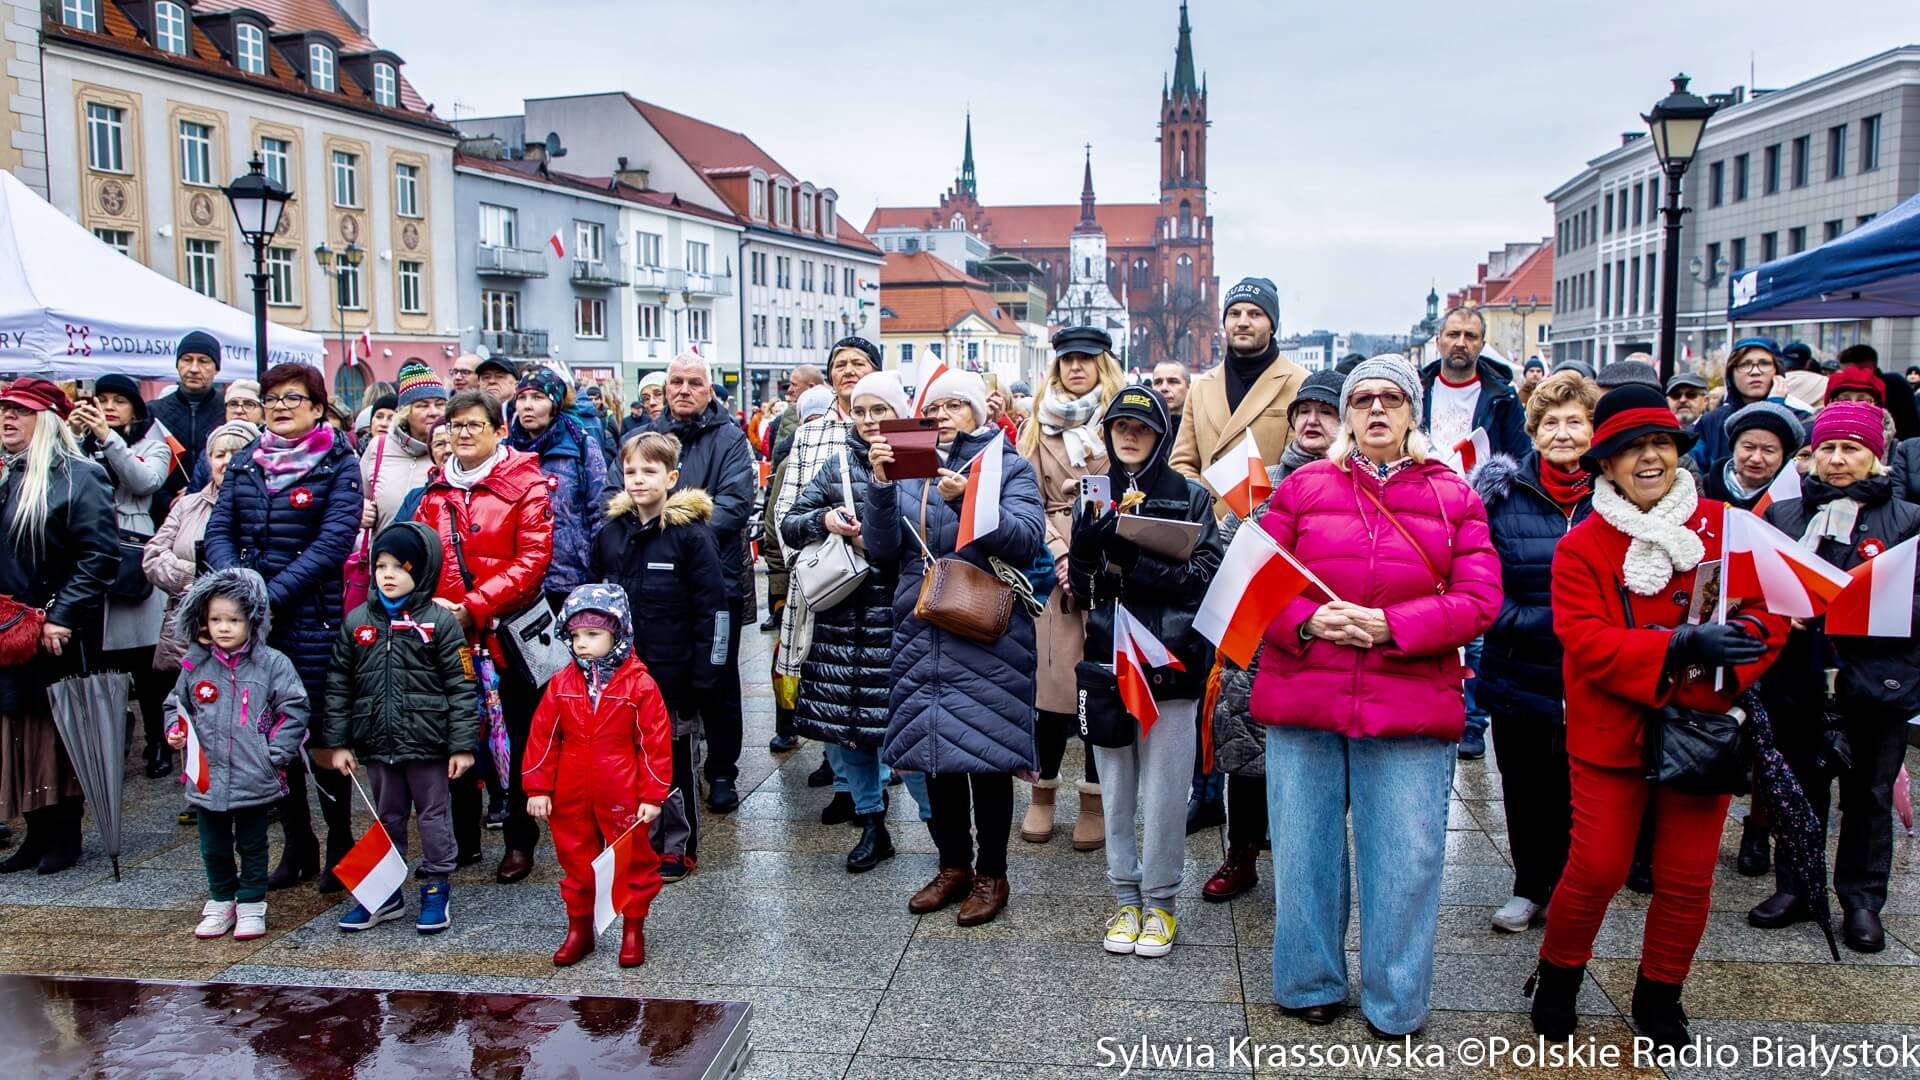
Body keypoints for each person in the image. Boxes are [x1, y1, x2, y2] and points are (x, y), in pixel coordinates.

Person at [1528, 383, 1788, 1049]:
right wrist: (1676, 644)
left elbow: (1773, 611)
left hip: (1702, 728)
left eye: (1660, 444)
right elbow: (1583, 639)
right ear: (1605, 464)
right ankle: (1558, 977)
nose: (1649, 458)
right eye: (1631, 448)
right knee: (1598, 868)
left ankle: (1661, 992)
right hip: (1611, 730)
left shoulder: (1725, 526)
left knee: (1686, 877)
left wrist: (1738, 649)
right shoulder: (1582, 545)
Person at [1252, 354, 1499, 1036]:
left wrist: (1394, 625)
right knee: (1303, 854)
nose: (1377, 410)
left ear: (1412, 411)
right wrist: (1305, 619)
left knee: (1405, 862)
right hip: (1306, 696)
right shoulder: (1303, 491)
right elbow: (1254, 585)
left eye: (1392, 398)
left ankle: (1397, 1002)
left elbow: (1480, 599)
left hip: (1408, 703)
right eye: (1364, 400)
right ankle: (1308, 984)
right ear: (1347, 415)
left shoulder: (1455, 494)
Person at [866, 369, 1044, 926]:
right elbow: (882, 549)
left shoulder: (1005, 464)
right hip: (922, 628)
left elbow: (1026, 538)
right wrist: (877, 487)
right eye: (934, 406)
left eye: (956, 405)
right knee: (933, 755)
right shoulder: (909, 468)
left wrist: (972, 502)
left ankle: (993, 872)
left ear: (978, 412)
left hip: (986, 631)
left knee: (986, 758)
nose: (943, 414)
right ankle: (952, 867)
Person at [1750, 402, 1917, 953]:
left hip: (1877, 678)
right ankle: (1796, 887)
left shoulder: (1909, 520)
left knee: (1868, 794)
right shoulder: (1786, 516)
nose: (1838, 460)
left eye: (1851, 449)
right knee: (1797, 788)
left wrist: (1873, 602)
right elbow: (1755, 589)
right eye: (1828, 448)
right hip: (1798, 677)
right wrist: (1780, 613)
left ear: (1876, 456)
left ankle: (1862, 901)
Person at [1071, 386, 1222, 959]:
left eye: (1142, 426)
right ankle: (1124, 897)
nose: (1129, 435)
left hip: (1171, 661)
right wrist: (1084, 553)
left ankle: (1160, 904)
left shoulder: (1189, 496)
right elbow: (1082, 593)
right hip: (1109, 659)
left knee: (1163, 794)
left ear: (1161, 435)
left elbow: (1205, 574)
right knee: (1115, 790)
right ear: (1107, 432)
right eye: (1119, 426)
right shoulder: (1096, 493)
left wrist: (1137, 560)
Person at [204, 363, 362, 893]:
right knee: (268, 732)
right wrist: (238, 590)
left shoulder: (339, 461)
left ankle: (339, 838)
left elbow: (333, 541)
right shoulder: (249, 460)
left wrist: (269, 596)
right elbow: (219, 529)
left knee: (319, 731)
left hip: (311, 617)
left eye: (293, 398)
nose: (280, 406)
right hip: (254, 619)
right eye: (272, 398)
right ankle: (298, 843)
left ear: (318, 407)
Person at [1200, 367, 1344, 902]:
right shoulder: (1262, 485)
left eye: (1326, 411)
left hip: (1329, 647)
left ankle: (1306, 865)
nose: (1312, 420)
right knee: (1246, 759)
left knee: (1315, 770)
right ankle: (1241, 857)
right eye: (1303, 411)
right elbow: (1226, 555)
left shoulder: (1355, 483)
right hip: (1261, 645)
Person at [1469, 370, 1599, 933]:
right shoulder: (1504, 498)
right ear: (1534, 431)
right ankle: (1529, 886)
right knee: (1523, 788)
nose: (1563, 433)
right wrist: (1561, 621)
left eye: (1576, 421)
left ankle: (1573, 887)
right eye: (1551, 422)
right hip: (1521, 668)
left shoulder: (1612, 499)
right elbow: (1484, 592)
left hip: (1594, 675)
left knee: (1583, 792)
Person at [412, 390, 554, 883]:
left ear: (498, 431)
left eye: (474, 425)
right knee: (454, 735)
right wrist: (437, 609)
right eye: (456, 426)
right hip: (449, 636)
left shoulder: (527, 482)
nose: (464, 434)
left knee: (513, 739)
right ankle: (461, 839)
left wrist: (474, 606)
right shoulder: (435, 491)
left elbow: (533, 559)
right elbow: (418, 556)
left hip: (507, 635)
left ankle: (519, 838)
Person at [316, 521, 478, 934]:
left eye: (399, 567)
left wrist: (462, 745)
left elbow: (462, 686)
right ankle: (383, 893)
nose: (388, 575)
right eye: (381, 565)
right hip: (377, 741)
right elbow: (339, 685)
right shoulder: (357, 623)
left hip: (428, 743)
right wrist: (338, 743)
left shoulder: (439, 623)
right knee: (385, 816)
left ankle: (436, 885)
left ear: (420, 572)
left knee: (433, 816)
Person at [779, 371, 909, 872]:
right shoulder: (834, 464)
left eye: (881, 410)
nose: (871, 420)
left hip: (898, 616)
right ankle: (873, 823)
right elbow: (791, 520)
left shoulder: (918, 463)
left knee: (905, 733)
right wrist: (825, 521)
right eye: (861, 410)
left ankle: (941, 835)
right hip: (843, 615)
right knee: (849, 731)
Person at [592, 431, 724, 884]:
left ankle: (677, 845)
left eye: (649, 471)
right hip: (621, 673)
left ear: (671, 477)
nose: (638, 479)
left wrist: (708, 673)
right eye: (631, 471)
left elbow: (715, 609)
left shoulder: (691, 536)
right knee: (627, 759)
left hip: (674, 673)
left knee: (671, 763)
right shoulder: (611, 534)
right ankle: (637, 837)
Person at [0, 379, 119, 876]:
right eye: (3, 410)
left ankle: (63, 835)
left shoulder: (80, 476)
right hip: (9, 628)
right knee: (17, 731)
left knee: (55, 731)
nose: (7, 418)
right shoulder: (9, 476)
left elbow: (99, 556)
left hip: (53, 629)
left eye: (19, 412)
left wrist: (63, 617)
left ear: (46, 419)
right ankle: (36, 834)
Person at [525, 585, 672, 969]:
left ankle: (633, 928)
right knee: (575, 857)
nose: (581, 644)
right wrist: (538, 786)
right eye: (574, 636)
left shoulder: (639, 685)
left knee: (632, 858)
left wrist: (652, 794)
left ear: (617, 634)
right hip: (571, 786)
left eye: (592, 634)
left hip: (620, 783)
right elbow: (544, 736)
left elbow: (654, 742)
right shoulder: (562, 683)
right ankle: (579, 928)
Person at [1020, 325, 1124, 849]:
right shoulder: (1037, 425)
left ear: (1102, 364)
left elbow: (1133, 493)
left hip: (1107, 567)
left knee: (1101, 690)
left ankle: (1094, 800)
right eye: (1067, 360)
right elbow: (1026, 499)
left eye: (1086, 359)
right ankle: (1042, 795)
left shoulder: (1122, 419)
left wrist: (1090, 555)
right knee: (1050, 691)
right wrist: (1061, 554)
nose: (1076, 368)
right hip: (1053, 572)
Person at [166, 568, 309, 942]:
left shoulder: (272, 664)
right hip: (208, 775)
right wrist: (176, 731)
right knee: (212, 845)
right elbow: (176, 705)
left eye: (234, 620)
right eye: (216, 620)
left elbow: (294, 709)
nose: (224, 628)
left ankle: (250, 902)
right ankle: (220, 898)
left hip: (253, 774)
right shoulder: (195, 665)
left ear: (254, 621)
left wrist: (273, 753)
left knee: (252, 843)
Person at [649, 351, 755, 813]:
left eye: (694, 382)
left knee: (718, 679)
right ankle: (665, 767)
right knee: (658, 680)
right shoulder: (642, 438)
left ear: (709, 389)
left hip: (716, 583)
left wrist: (666, 532)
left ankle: (722, 770)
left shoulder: (730, 439)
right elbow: (617, 498)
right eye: (676, 382)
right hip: (653, 587)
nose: (683, 390)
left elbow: (733, 505)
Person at [1419, 309, 1524, 761]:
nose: (1461, 342)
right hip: (1421, 514)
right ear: (1438, 341)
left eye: (1471, 336)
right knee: (1424, 611)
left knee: (1477, 627)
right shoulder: (1416, 389)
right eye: (1453, 334)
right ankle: (1428, 705)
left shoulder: (1501, 397)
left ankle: (1473, 721)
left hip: (1480, 517)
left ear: (1482, 344)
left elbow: (1520, 456)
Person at [771, 339, 878, 758]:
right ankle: (843, 784)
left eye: (858, 363)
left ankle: (878, 784)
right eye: (839, 364)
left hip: (880, 574)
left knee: (874, 687)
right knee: (824, 676)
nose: (848, 370)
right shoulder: (810, 432)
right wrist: (805, 560)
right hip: (823, 574)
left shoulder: (896, 424)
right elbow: (787, 506)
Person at [74, 374, 180, 779]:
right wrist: (76, 435)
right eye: (103, 400)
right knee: (102, 662)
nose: (110, 407)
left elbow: (145, 480)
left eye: (120, 400)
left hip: (133, 557)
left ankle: (158, 740)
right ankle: (111, 739)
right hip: (92, 555)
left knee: (145, 663)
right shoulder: (82, 445)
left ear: (136, 408)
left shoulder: (150, 445)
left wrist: (108, 438)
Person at [1170, 276, 1306, 512]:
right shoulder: (1201, 386)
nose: (1243, 322)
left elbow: (1299, 466)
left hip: (1267, 526)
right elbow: (1182, 462)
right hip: (1207, 528)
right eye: (1234, 314)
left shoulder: (1299, 383)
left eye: (1255, 314)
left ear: (1272, 324)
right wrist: (1201, 505)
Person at [510, 369, 608, 605]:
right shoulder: (507, 451)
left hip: (571, 577)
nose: (527, 406)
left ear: (554, 404)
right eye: (522, 398)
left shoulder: (580, 445)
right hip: (518, 579)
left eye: (537, 398)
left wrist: (595, 569)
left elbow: (601, 510)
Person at [360, 362, 450, 535]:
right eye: (422, 405)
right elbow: (353, 497)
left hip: (436, 557)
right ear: (405, 412)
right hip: (385, 557)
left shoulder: (452, 450)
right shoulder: (379, 447)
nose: (433, 412)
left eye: (439, 404)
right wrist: (360, 508)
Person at [148, 330, 228, 489]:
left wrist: (197, 492)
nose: (194, 369)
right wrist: (166, 500)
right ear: (177, 364)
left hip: (217, 502)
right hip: (165, 507)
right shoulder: (153, 411)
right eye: (187, 360)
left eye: (203, 361)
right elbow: (143, 464)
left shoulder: (229, 409)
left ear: (217, 368)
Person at [1690, 337, 1783, 469]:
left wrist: (1776, 409)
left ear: (1777, 371)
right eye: (1744, 364)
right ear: (1731, 374)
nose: (1755, 372)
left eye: (1764, 363)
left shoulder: (1799, 418)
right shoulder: (1710, 422)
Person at [1704, 402, 1802, 510]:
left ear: (1783, 456)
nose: (1756, 458)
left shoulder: (1794, 496)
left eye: (1768, 450)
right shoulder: (1703, 488)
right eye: (1748, 447)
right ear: (1733, 448)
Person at [1835, 344, 1919, 440]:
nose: (1846, 378)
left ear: (1869, 368)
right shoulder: (1842, 389)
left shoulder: (1894, 386)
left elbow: (1908, 426)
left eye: (1849, 373)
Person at [1150, 360, 1190, 443]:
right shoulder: (1143, 428)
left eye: (1173, 382)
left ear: (1188, 388)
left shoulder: (1201, 429)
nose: (1164, 388)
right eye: (1158, 382)